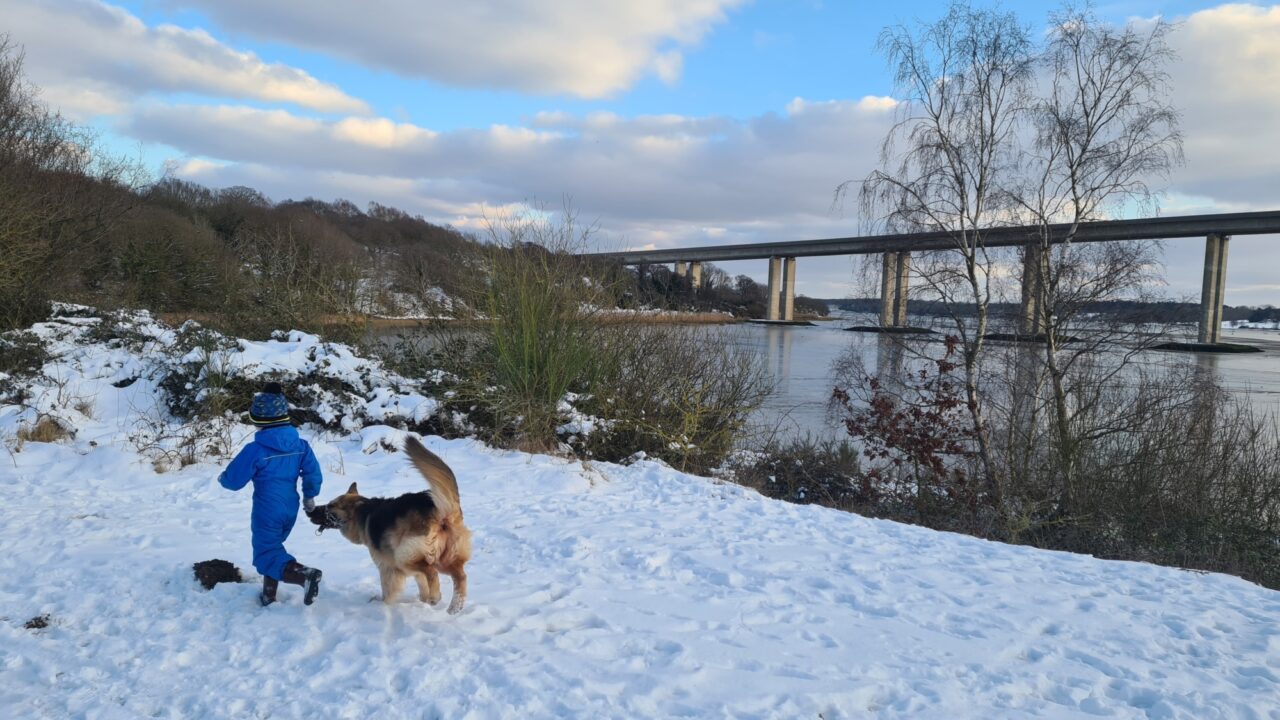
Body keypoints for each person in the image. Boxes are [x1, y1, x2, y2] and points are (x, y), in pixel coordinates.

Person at [219, 382, 323, 606]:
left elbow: (233, 481)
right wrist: (309, 496)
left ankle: (304, 575)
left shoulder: (256, 450)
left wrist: (223, 479)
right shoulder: (301, 446)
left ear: (259, 420)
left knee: (267, 553)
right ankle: (269, 596)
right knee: (273, 550)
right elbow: (313, 473)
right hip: (290, 507)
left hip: (268, 509)